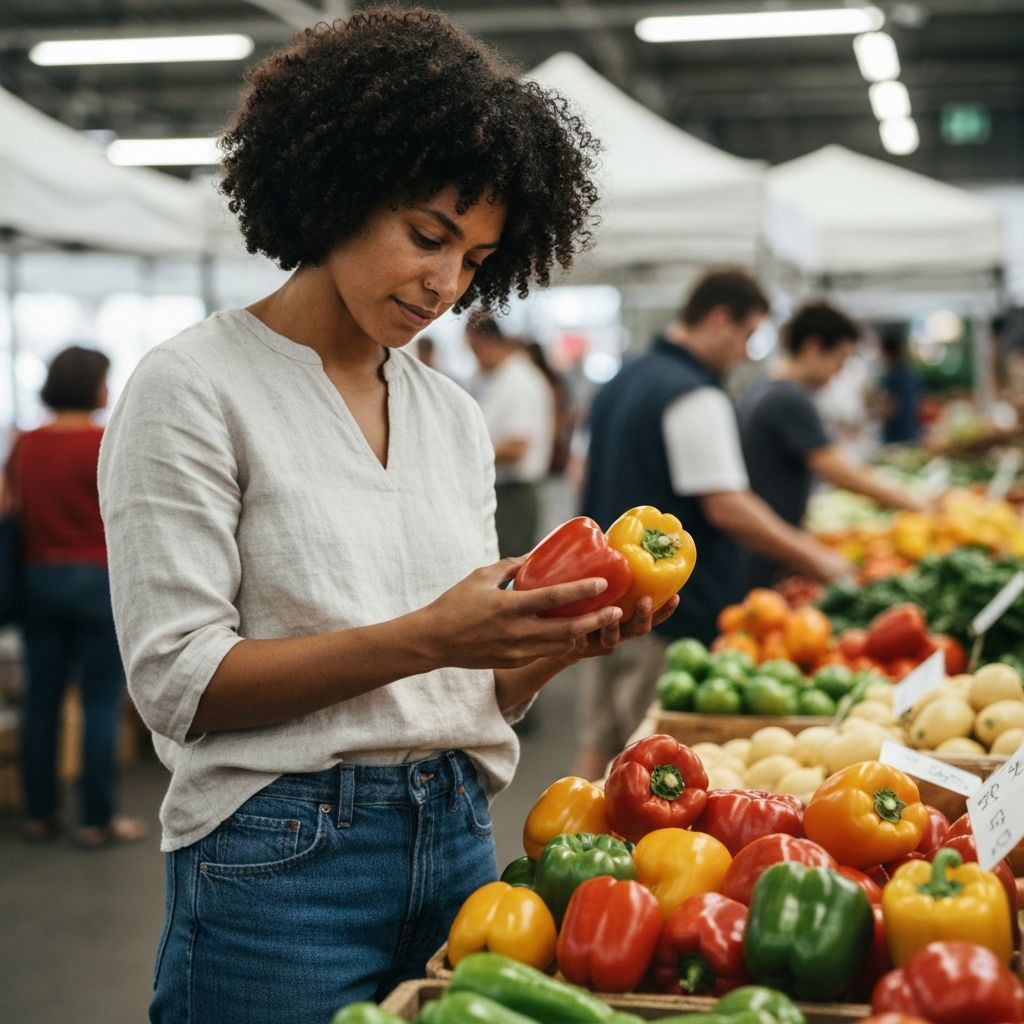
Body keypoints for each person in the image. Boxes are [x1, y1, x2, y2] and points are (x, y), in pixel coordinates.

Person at [97, 9, 674, 1022]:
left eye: (476, 260)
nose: (445, 284)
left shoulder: (449, 416)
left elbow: (465, 697)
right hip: (280, 862)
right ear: (338, 190)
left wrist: (552, 646)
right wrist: (427, 637)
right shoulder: (193, 386)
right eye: (427, 235)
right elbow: (179, 684)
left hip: (456, 838)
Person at [574, 270, 851, 780]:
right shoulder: (695, 393)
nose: (747, 353)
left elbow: (585, 476)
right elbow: (728, 506)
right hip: (666, 614)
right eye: (748, 336)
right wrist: (815, 557)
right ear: (721, 319)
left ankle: (559, 846)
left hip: (604, 597)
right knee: (648, 767)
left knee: (600, 746)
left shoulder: (622, 378)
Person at [2, 346, 145, 848]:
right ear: (92, 385)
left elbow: (10, 508)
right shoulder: (105, 442)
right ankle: (97, 820)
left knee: (41, 702)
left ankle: (40, 815)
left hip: (39, 581)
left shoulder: (26, 444)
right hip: (99, 581)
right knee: (99, 703)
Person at [738, 301, 927, 590]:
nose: (839, 372)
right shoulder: (789, 399)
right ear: (813, 348)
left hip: (761, 541)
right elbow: (835, 468)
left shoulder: (763, 391)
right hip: (769, 548)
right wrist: (912, 503)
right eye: (840, 359)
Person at [466, 312, 554, 557]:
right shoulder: (496, 379)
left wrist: (462, 454)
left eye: (473, 349)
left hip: (514, 494)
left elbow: (517, 448)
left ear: (485, 342)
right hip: (502, 490)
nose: (474, 357)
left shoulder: (519, 381)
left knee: (507, 573)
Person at [878, 322, 921, 444]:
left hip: (895, 438)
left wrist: (873, 412)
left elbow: (889, 409)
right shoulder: (912, 374)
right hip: (911, 433)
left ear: (885, 352)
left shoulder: (891, 377)